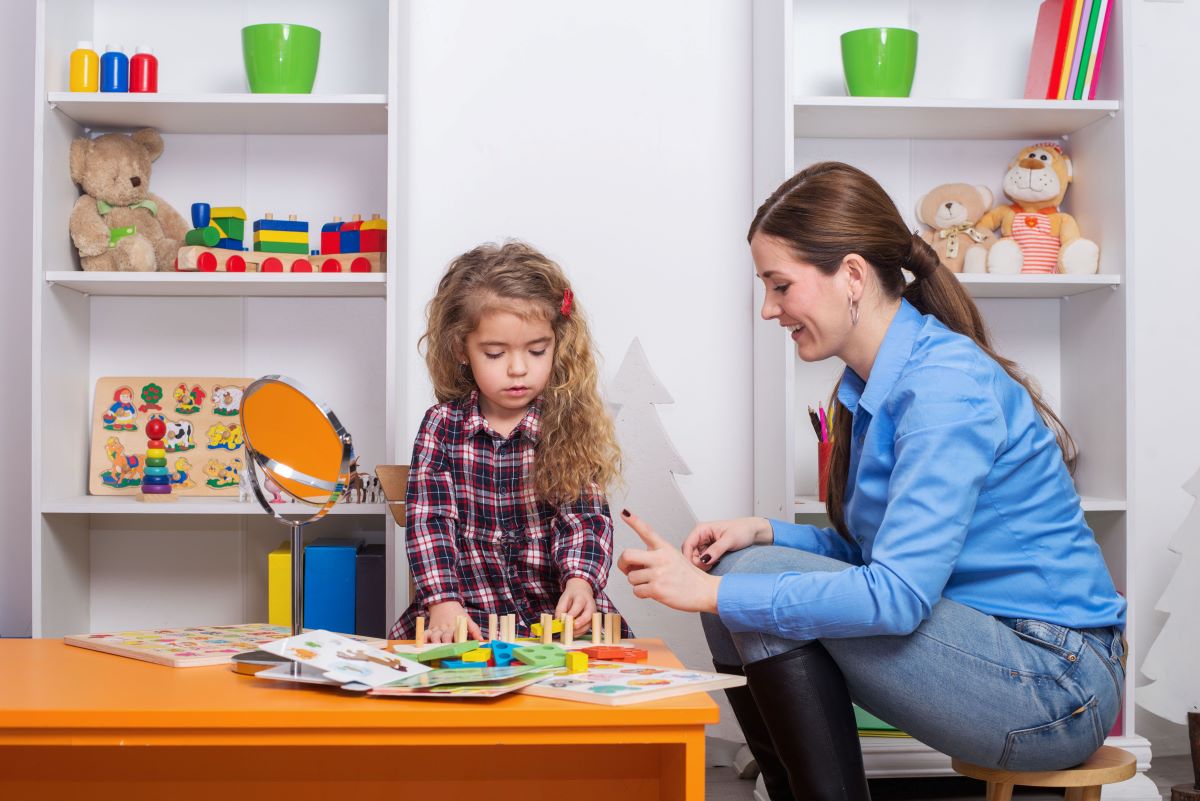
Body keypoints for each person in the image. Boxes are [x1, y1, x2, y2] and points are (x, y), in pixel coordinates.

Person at [617, 162, 1126, 801]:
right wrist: (762, 532)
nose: (769, 309)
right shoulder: (872, 388)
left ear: (852, 275)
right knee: (738, 568)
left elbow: (895, 598)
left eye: (780, 285)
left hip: (1056, 683)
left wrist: (714, 593)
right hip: (1000, 652)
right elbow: (877, 559)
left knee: (737, 587)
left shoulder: (943, 388)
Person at [389, 241, 631, 644]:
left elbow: (584, 519)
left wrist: (581, 582)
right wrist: (442, 600)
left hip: (555, 621)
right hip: (469, 618)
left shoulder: (565, 422)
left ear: (558, 344)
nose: (519, 369)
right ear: (461, 349)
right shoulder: (442, 426)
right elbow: (429, 521)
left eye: (537, 351)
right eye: (496, 353)